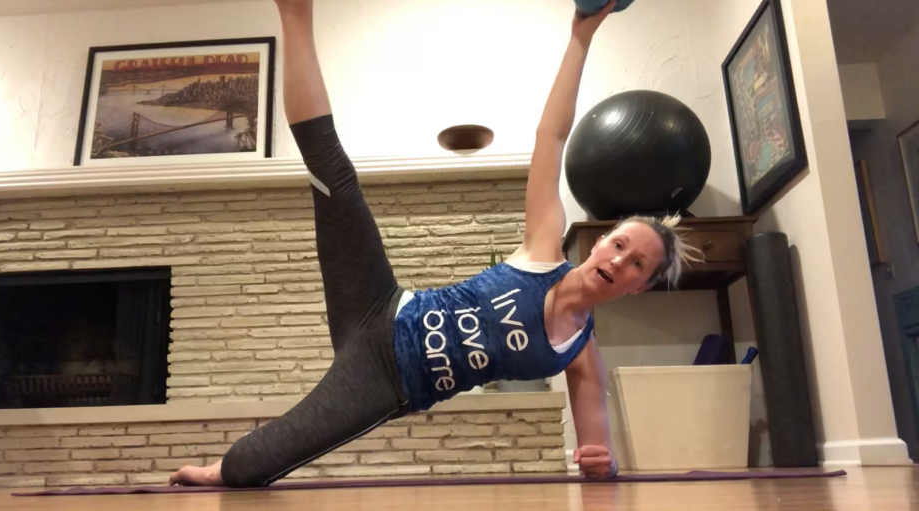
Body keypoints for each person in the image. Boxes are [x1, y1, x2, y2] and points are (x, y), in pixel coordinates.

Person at [169, 0, 700, 488]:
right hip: (378, 302)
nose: (620, 260)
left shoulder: (580, 356)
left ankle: (221, 468)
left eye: (637, 265)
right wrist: (582, 36)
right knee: (333, 172)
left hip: (383, 380)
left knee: (244, 471)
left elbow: (595, 457)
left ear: (638, 287)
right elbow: (552, 138)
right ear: (602, 240)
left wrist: (600, 465)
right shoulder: (543, 249)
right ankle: (295, 13)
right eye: (621, 244)